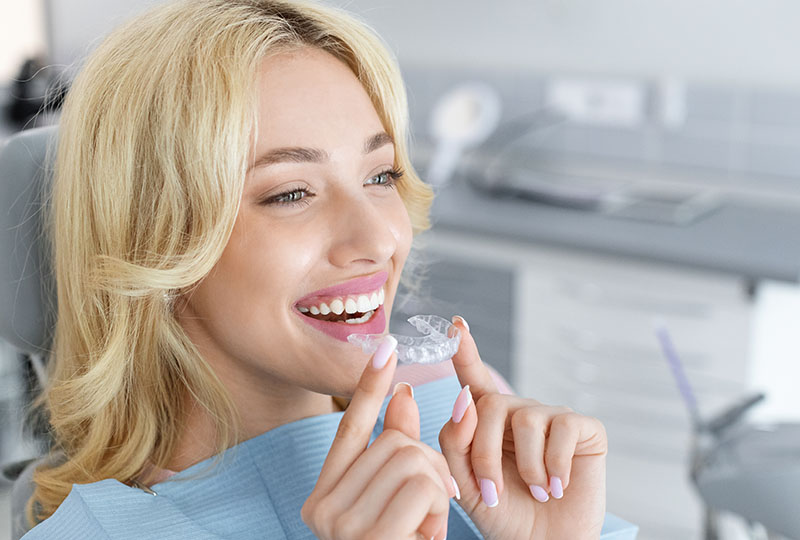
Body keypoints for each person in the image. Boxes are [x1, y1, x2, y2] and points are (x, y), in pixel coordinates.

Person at [22, 0, 627, 538]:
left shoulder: (468, 427)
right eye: (291, 194)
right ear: (156, 239)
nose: (378, 238)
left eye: (380, 176)